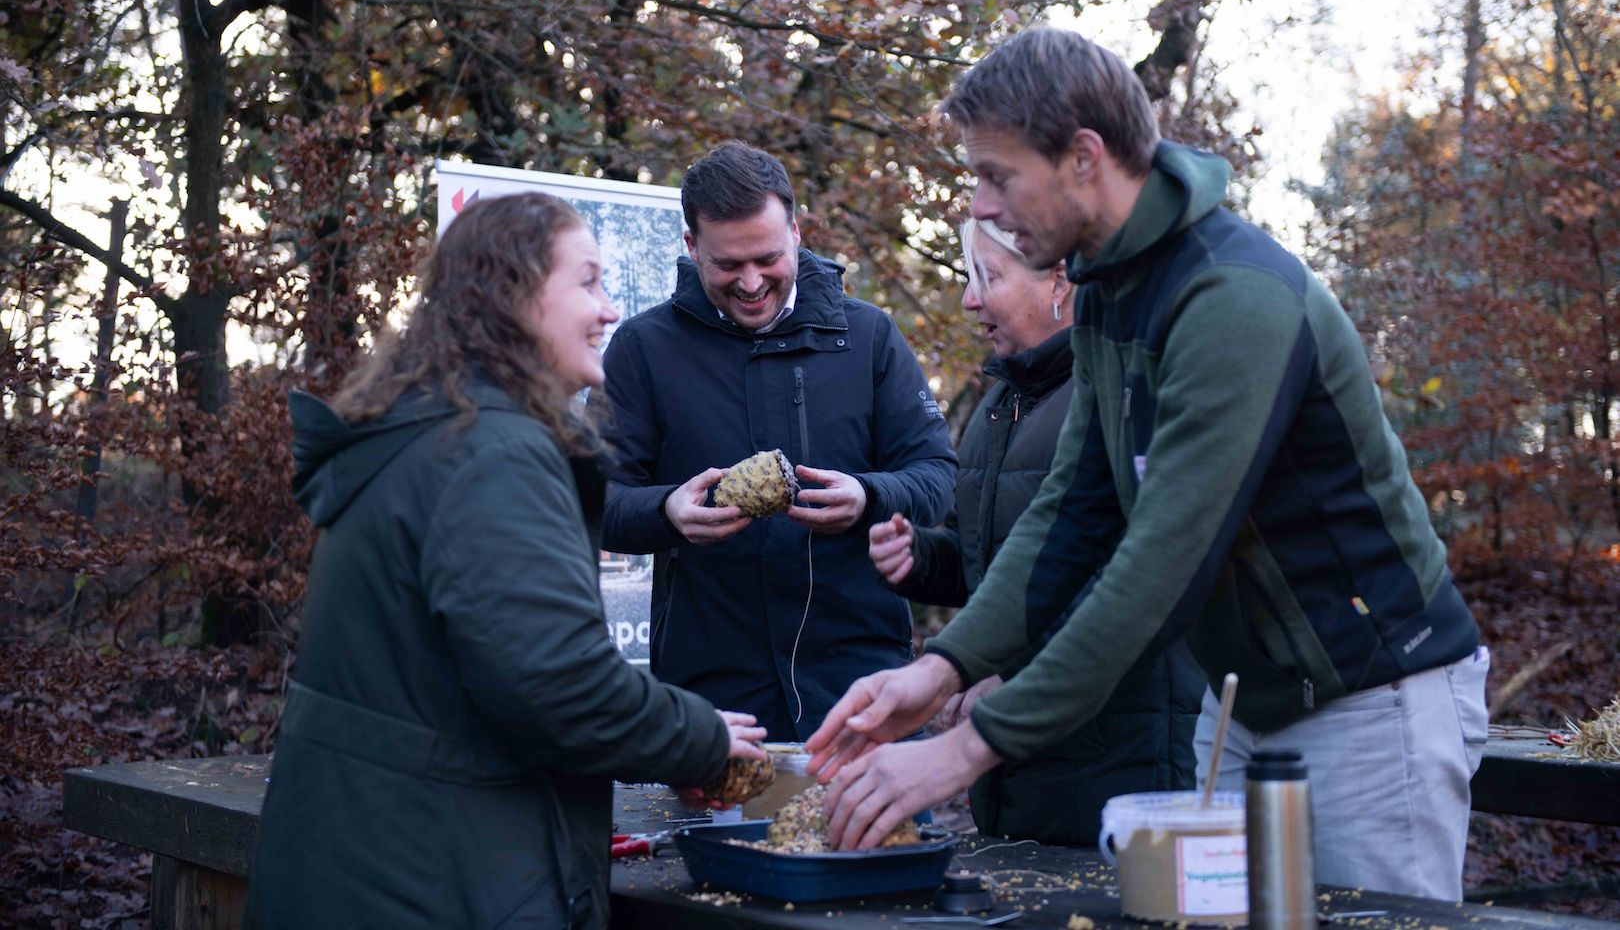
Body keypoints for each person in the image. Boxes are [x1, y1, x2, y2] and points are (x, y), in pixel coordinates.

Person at [808, 26, 1489, 902]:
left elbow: (1161, 564)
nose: (981, 204)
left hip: (1368, 696)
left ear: (1083, 157)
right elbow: (1075, 509)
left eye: (997, 175)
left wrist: (970, 746)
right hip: (1246, 701)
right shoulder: (1108, 288)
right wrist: (943, 669)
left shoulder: (1231, 297)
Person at [247, 194, 766, 929]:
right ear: (514, 294)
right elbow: (557, 686)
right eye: (587, 282)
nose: (610, 310)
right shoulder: (492, 454)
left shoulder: (431, 435)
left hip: (374, 863)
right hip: (428, 883)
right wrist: (699, 739)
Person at [599, 141, 957, 741]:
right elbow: (592, 499)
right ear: (691, 247)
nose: (749, 282)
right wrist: (666, 512)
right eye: (726, 265)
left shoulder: (867, 336)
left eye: (766, 258)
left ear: (796, 231)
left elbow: (938, 476)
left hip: (860, 685)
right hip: (713, 700)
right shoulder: (641, 349)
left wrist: (869, 498)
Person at [869, 217, 1203, 845]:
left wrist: (1004, 677)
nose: (969, 298)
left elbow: (1130, 577)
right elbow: (1001, 567)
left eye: (987, 277)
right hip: (1013, 767)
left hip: (1119, 754)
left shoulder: (1118, 394)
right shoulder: (998, 405)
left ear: (1060, 278)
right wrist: (919, 557)